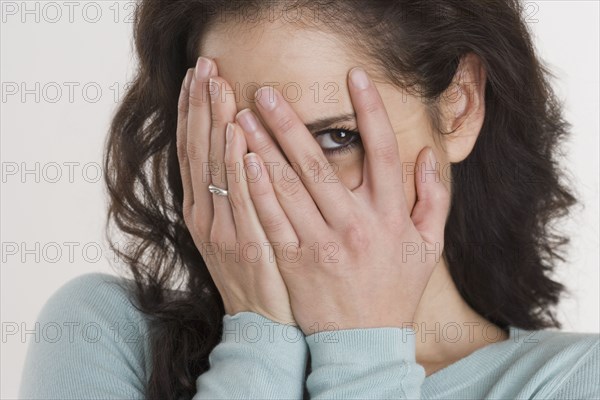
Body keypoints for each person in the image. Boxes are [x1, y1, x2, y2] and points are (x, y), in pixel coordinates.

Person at [19, 1, 599, 399]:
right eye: (238, 146)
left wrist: (362, 349)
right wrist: (259, 339)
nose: (277, 191)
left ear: (459, 106)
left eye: (335, 138)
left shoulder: (575, 380)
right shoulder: (102, 333)